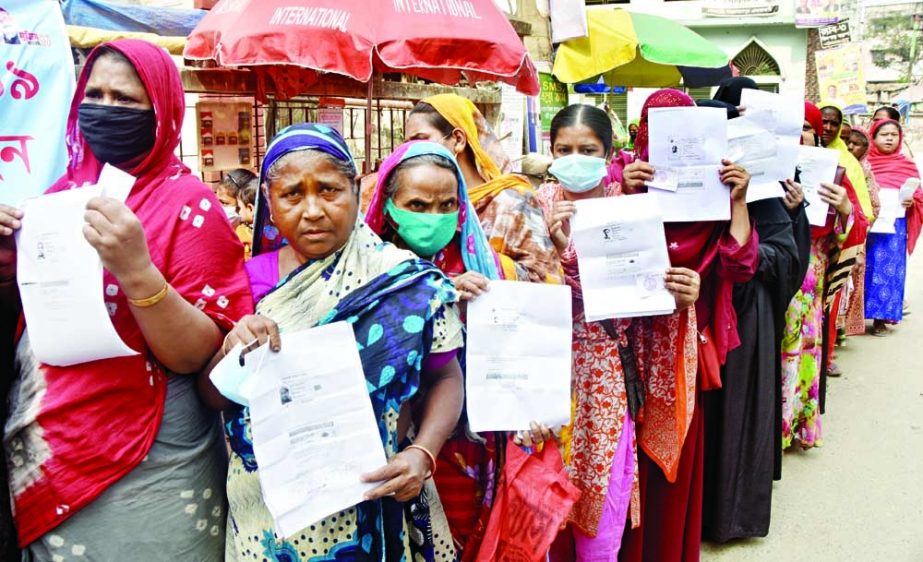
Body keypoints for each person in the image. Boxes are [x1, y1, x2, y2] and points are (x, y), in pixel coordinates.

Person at [0, 39, 252, 560]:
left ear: (161, 109)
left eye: (126, 99)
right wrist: (8, 259)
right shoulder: (59, 197)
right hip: (51, 448)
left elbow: (201, 354)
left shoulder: (189, 205)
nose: (106, 109)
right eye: (94, 94)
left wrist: (137, 270)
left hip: (150, 462)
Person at [202, 124, 465, 561]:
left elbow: (445, 377)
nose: (312, 211)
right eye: (292, 195)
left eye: (328, 190)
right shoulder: (248, 282)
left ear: (356, 189)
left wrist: (423, 453)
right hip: (270, 517)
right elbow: (212, 398)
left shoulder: (403, 280)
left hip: (380, 494)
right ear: (269, 201)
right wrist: (231, 350)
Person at [535, 104, 701, 561]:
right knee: (540, 488)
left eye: (587, 149)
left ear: (609, 153)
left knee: (602, 488)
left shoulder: (630, 211)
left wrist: (681, 294)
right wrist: (551, 256)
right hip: (546, 367)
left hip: (606, 371)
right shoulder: (531, 206)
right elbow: (512, 287)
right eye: (563, 149)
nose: (574, 158)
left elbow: (651, 298)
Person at [619, 89, 759, 562]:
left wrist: (739, 199)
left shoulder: (717, 190)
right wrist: (625, 194)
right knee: (621, 464)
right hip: (621, 348)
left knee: (671, 467)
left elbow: (740, 265)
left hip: (683, 349)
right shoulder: (623, 180)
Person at [363, 140, 507, 559]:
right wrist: (430, 296)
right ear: (388, 206)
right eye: (418, 205)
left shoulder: (483, 269)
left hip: (466, 444)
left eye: (447, 204)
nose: (435, 217)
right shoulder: (366, 272)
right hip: (388, 445)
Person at [697, 98, 811, 543]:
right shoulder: (666, 181)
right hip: (686, 308)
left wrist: (742, 252)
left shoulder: (762, 187)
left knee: (735, 411)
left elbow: (786, 255)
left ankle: (728, 516)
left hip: (744, 314)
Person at [404, 94, 564, 284]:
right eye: (407, 144)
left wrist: (482, 264)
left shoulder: (513, 202)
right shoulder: (415, 203)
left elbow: (548, 278)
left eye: (421, 140)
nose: (412, 151)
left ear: (458, 139)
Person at [781, 102, 867, 451]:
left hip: (806, 279)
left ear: (817, 133)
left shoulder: (836, 175)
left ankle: (793, 427)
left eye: (805, 127)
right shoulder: (763, 169)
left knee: (800, 352)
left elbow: (855, 228)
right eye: (791, 127)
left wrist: (845, 208)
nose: (798, 134)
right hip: (769, 277)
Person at [864, 119, 923, 335]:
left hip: (895, 226)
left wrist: (912, 202)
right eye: (884, 134)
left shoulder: (905, 164)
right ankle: (854, 318)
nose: (889, 138)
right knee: (864, 269)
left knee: (889, 271)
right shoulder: (865, 162)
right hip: (869, 225)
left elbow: (918, 195)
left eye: (894, 135)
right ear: (873, 137)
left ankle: (881, 319)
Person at [842, 127, 882, 337]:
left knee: (853, 279)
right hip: (836, 231)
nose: (849, 147)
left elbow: (874, 204)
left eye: (855, 144)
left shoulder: (864, 171)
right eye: (846, 141)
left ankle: (845, 328)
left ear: (866, 148)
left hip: (858, 229)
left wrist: (859, 223)